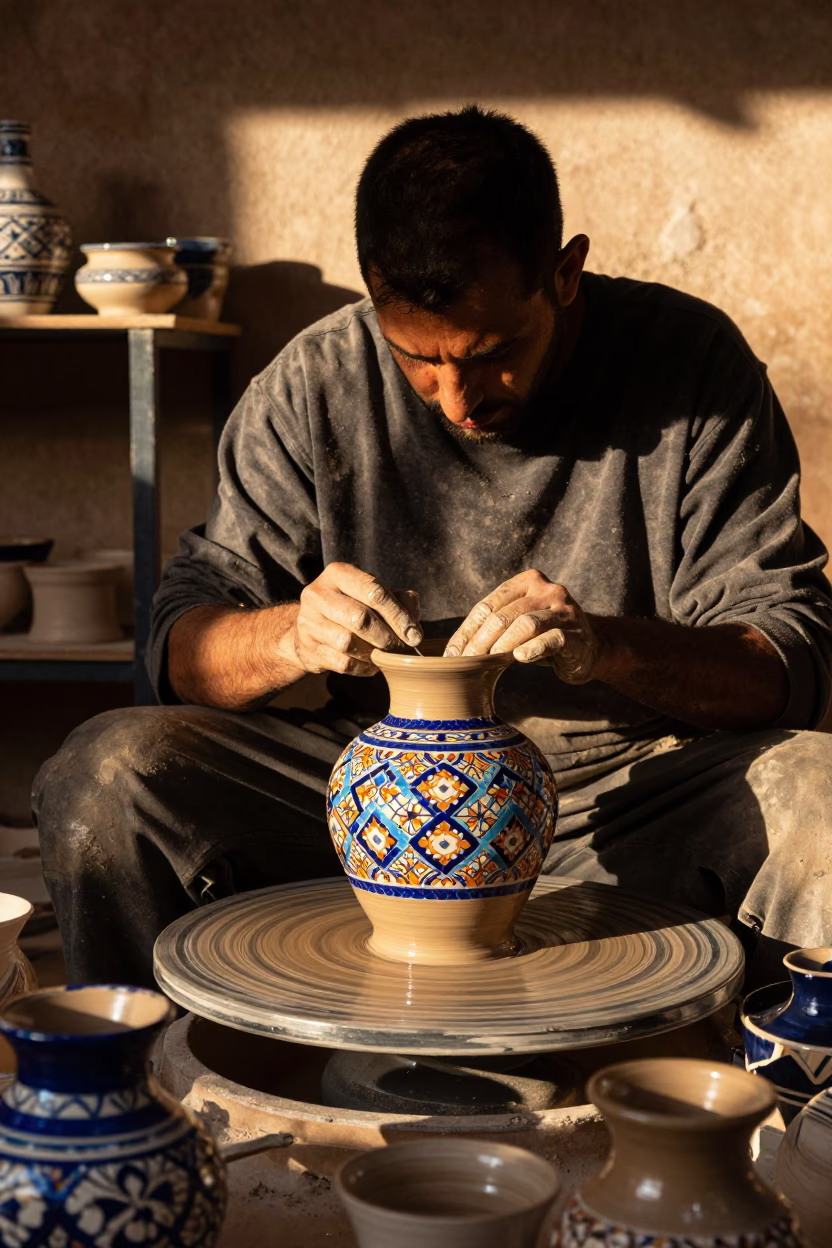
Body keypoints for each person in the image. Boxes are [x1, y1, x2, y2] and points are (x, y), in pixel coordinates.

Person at [35, 106, 832, 991]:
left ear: (565, 273)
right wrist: (288, 637)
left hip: (629, 787)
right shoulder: (315, 383)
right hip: (366, 790)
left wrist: (609, 645)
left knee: (822, 798)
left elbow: (789, 656)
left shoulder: (691, 368)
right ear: (374, 294)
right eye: (417, 358)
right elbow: (180, 650)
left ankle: (792, 1119)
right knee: (105, 774)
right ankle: (138, 1103)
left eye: (494, 353)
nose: (456, 398)